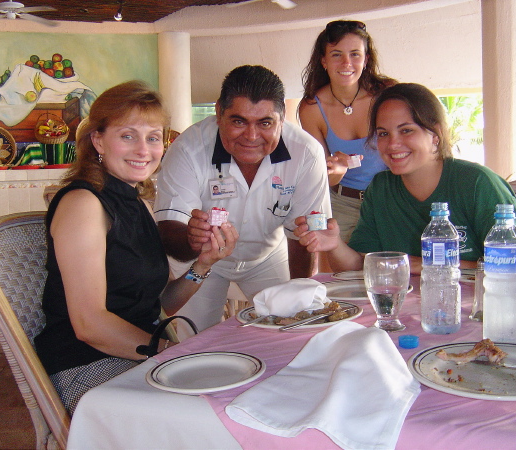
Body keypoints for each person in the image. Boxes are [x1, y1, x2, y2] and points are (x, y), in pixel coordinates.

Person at [34, 81, 237, 414]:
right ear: (98, 139)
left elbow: (160, 305)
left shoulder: (138, 205)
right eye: (128, 135)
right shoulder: (83, 203)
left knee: (228, 393)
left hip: (138, 354)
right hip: (86, 367)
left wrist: (203, 264)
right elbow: (89, 325)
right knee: (209, 411)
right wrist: (169, 352)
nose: (144, 150)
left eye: (153, 137)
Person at [155, 65, 331, 335]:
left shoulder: (306, 153)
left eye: (265, 123)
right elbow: (168, 228)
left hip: (268, 257)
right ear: (218, 113)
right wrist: (192, 240)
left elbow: (304, 235)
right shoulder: (188, 149)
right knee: (195, 343)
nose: (251, 136)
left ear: (282, 118)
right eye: (238, 121)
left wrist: (299, 296)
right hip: (201, 260)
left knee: (291, 331)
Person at [294, 82, 516, 274]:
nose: (393, 143)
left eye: (406, 130)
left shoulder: (477, 183)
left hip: (479, 313)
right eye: (383, 134)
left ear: (435, 135)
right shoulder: (381, 188)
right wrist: (334, 244)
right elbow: (358, 265)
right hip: (401, 312)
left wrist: (425, 264)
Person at [299, 20, 397, 242]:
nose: (346, 63)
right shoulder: (312, 108)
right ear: (323, 60)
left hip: (391, 198)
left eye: (355, 54)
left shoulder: (387, 94)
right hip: (343, 203)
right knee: (343, 274)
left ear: (366, 59)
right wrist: (338, 169)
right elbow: (323, 179)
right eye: (336, 55)